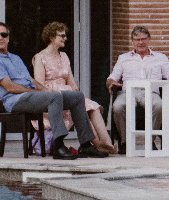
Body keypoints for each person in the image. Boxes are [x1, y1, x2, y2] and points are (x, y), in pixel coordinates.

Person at [0, 22, 107, 160]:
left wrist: (46, 90)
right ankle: (59, 147)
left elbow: (30, 79)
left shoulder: (15, 58)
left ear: (8, 38)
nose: (0, 38)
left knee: (77, 97)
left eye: (4, 34)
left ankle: (85, 145)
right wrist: (39, 93)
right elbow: (9, 87)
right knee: (54, 98)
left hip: (29, 95)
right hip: (14, 100)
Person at [32, 21, 117, 155]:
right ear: (51, 38)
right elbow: (39, 84)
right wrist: (57, 93)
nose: (65, 38)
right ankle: (97, 145)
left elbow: (70, 80)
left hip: (69, 93)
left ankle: (105, 143)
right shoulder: (40, 57)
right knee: (84, 106)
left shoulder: (64, 56)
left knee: (92, 106)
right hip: (52, 96)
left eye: (65, 35)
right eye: (62, 36)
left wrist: (78, 93)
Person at [107, 25, 169, 146]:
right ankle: (126, 142)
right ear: (132, 41)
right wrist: (111, 83)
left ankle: (150, 141)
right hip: (128, 92)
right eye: (137, 40)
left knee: (159, 105)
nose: (140, 42)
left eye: (143, 39)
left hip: (151, 92)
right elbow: (112, 77)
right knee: (118, 106)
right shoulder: (123, 58)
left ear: (149, 39)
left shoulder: (160, 57)